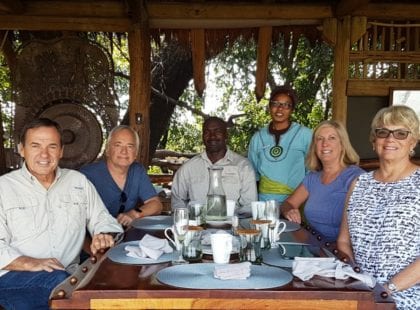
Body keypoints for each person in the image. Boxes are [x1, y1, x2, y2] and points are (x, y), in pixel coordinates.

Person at [0, 118, 123, 310]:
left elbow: (103, 219)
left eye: (52, 146)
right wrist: (29, 263)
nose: (44, 154)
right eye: (35, 146)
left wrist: (104, 234)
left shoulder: (78, 182)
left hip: (69, 275)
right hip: (12, 276)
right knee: (64, 289)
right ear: (22, 149)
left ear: (61, 151)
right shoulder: (4, 187)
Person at [337, 105, 420, 310]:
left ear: (413, 141)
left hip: (407, 299)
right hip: (361, 295)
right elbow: (343, 241)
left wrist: (385, 290)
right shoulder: (359, 184)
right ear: (374, 140)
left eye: (401, 133)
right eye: (382, 132)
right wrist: (355, 277)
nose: (390, 139)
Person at [280, 120, 364, 242]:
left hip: (342, 253)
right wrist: (290, 211)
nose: (325, 144)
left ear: (342, 145)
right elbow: (288, 203)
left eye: (332, 138)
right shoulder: (313, 177)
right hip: (314, 249)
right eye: (320, 139)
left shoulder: (356, 178)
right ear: (314, 146)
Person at [80, 125, 162, 227]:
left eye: (130, 146)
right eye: (118, 145)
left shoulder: (137, 171)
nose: (124, 151)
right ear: (108, 150)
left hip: (123, 235)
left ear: (135, 153)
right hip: (94, 237)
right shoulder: (86, 176)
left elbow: (156, 204)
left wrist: (134, 214)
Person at [171, 117, 257, 213]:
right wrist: (191, 221)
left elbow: (249, 206)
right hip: (197, 226)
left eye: (217, 131)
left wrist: (231, 221)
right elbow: (177, 201)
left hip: (232, 226)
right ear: (202, 136)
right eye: (207, 132)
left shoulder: (243, 166)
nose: (212, 136)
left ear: (226, 135)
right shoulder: (188, 168)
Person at [248, 85, 312, 203]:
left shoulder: (305, 134)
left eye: (286, 105)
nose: (280, 109)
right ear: (269, 107)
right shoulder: (258, 138)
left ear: (292, 109)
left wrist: (299, 199)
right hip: (264, 203)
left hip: (296, 203)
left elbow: (312, 172)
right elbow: (253, 174)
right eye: (275, 104)